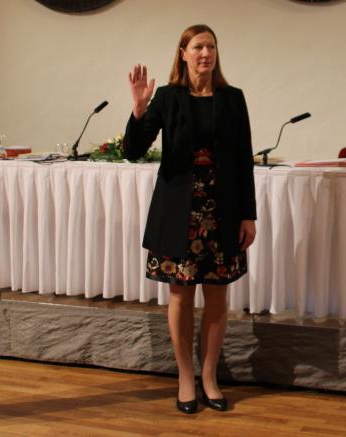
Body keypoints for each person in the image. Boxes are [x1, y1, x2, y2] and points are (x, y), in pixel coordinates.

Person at [122, 24, 256, 414]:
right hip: (179, 211)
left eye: (211, 47)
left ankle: (210, 377)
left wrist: (248, 215)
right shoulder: (168, 97)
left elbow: (243, 160)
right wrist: (139, 108)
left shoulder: (233, 99)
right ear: (183, 53)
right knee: (180, 294)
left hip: (222, 210)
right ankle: (185, 377)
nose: (205, 53)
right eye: (198, 47)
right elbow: (133, 150)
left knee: (217, 294)